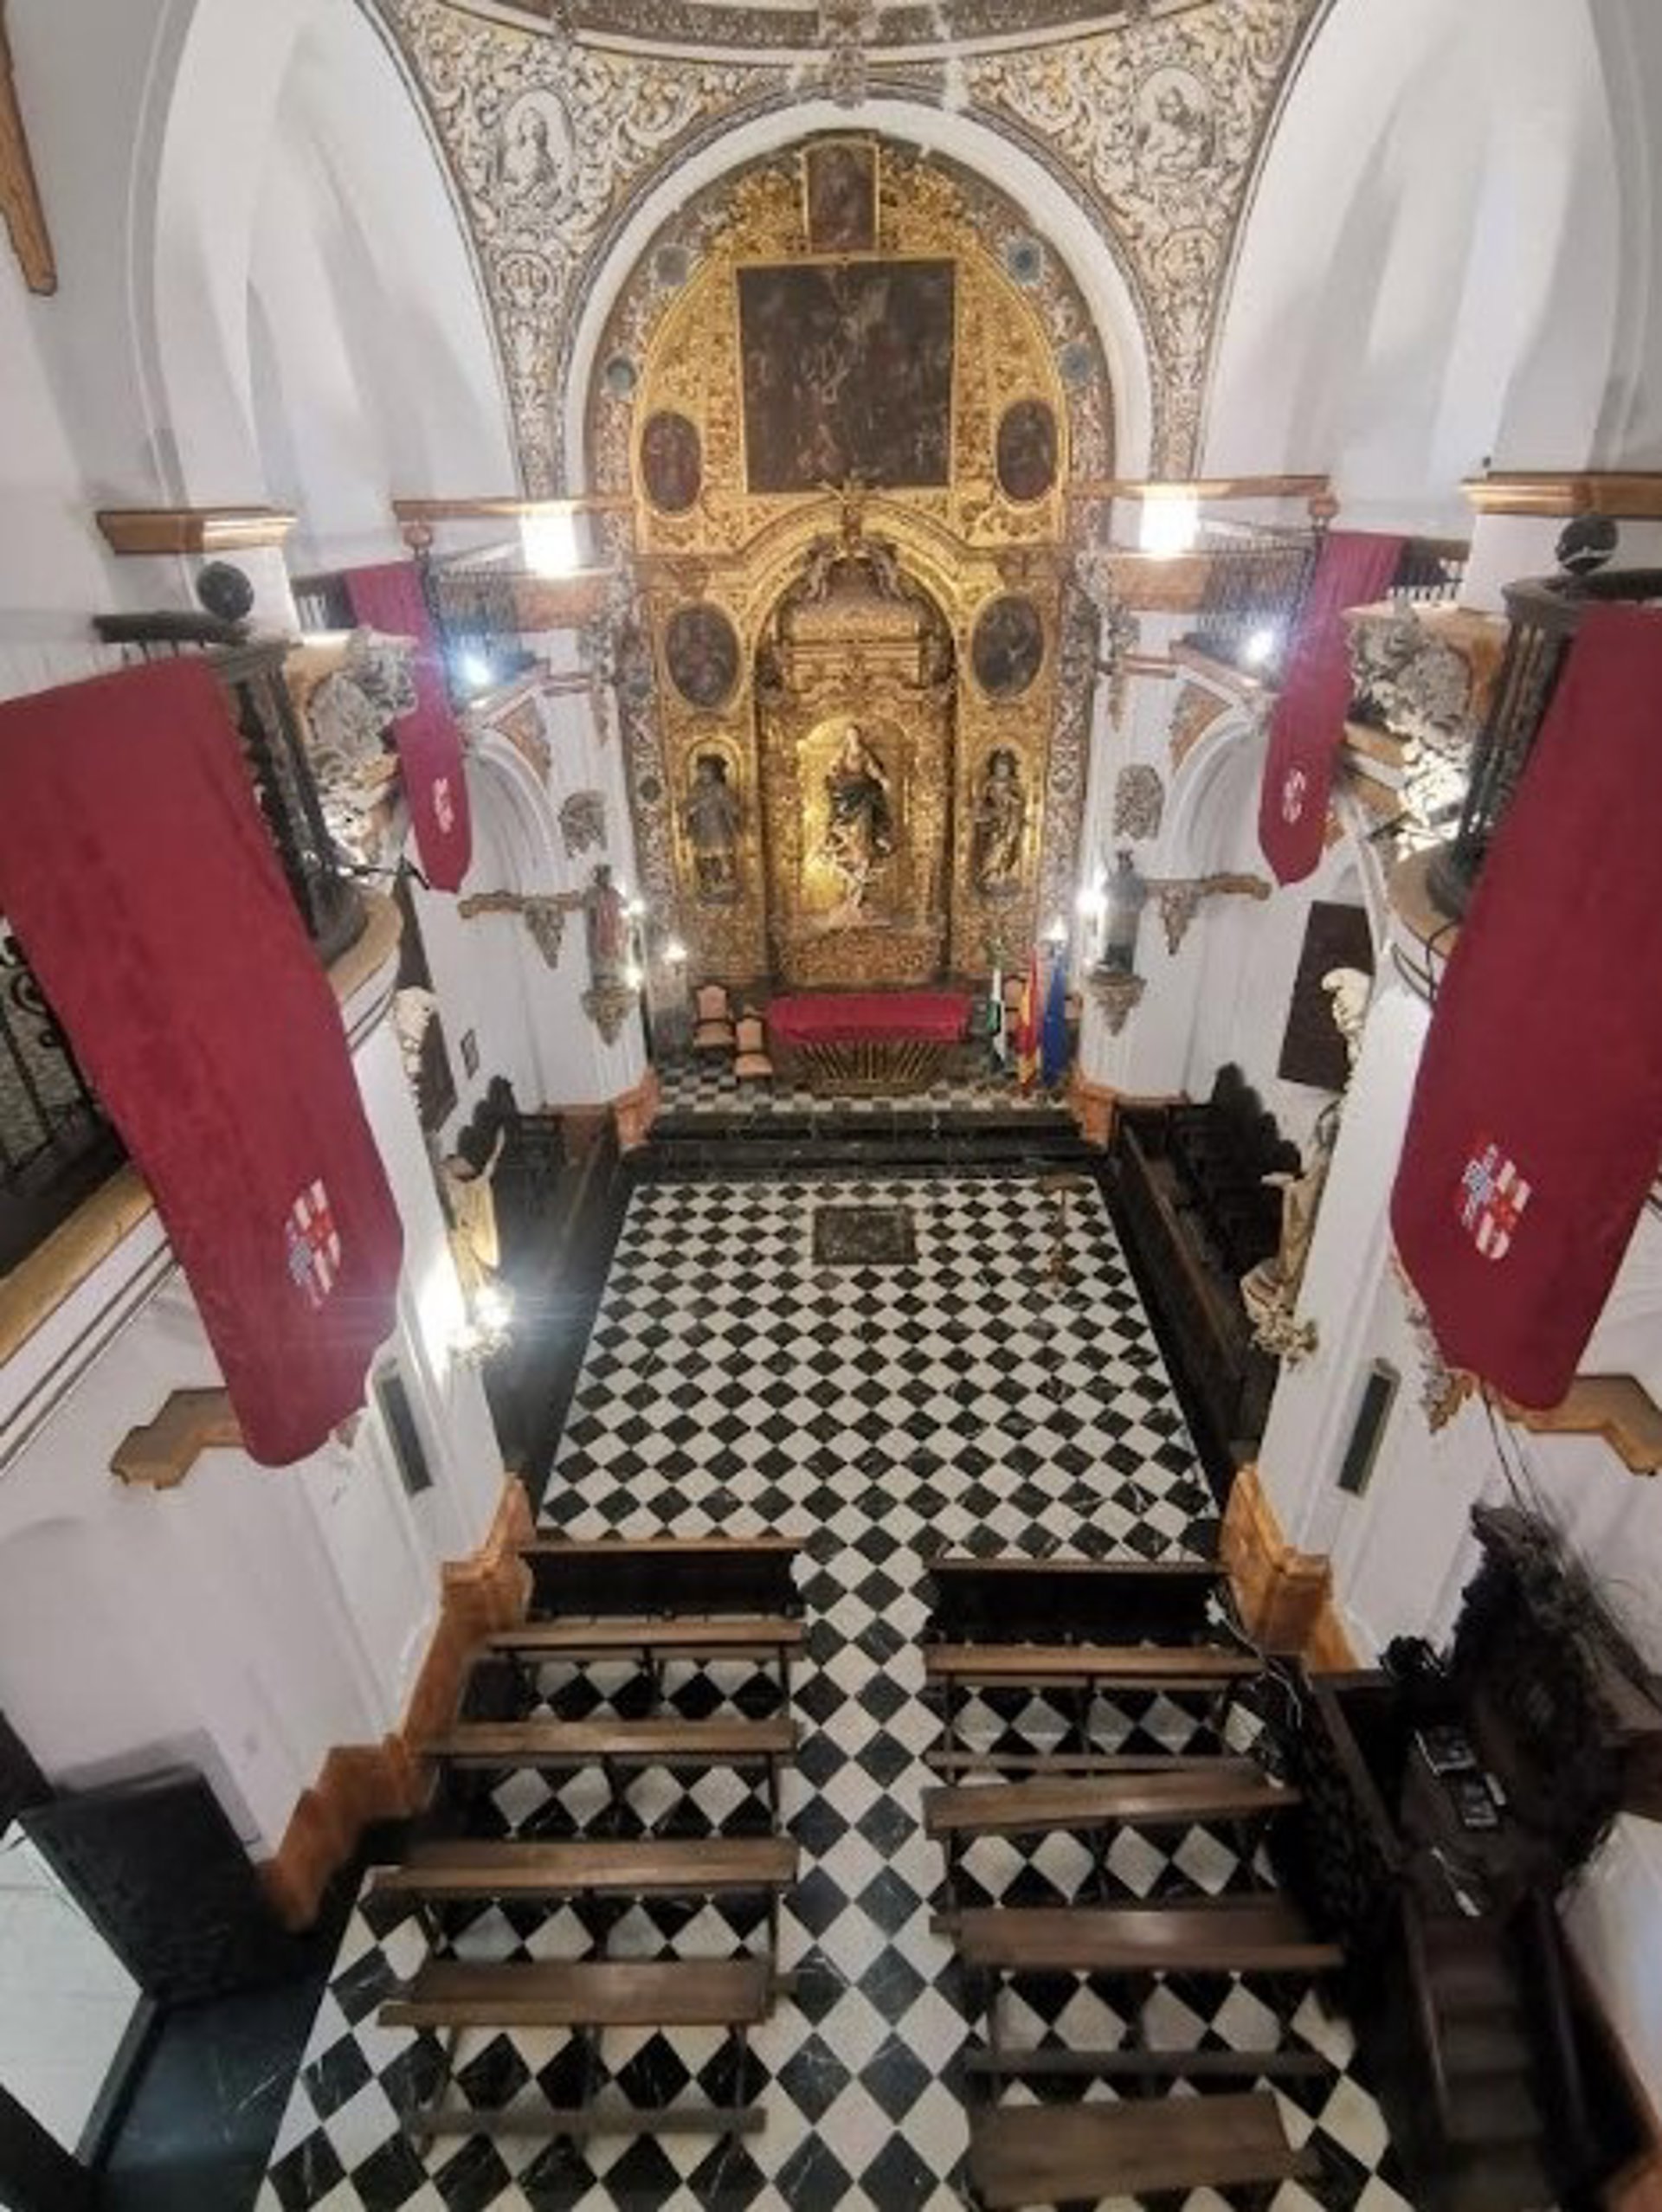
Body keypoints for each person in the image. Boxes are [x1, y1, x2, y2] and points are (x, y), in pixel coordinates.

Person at [819, 723, 893, 908]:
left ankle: (872, 839)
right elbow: (833, 768)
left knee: (865, 820)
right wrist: (832, 773)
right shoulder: (842, 753)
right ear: (847, 737)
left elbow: (873, 770)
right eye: (850, 735)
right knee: (842, 825)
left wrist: (883, 780)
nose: (853, 738)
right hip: (846, 794)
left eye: (855, 734)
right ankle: (842, 844)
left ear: (859, 736)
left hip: (862, 793)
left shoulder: (864, 754)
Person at [683, 753, 743, 901]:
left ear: (714, 772)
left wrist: (732, 812)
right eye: (701, 771)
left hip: (719, 829)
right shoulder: (696, 790)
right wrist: (693, 808)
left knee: (723, 856)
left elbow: (734, 807)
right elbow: (684, 807)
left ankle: (726, 881)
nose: (704, 774)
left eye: (707, 771)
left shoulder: (720, 789)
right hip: (702, 830)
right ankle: (710, 881)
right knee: (705, 858)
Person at [971, 749, 1025, 895]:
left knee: (1005, 850)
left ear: (1010, 768)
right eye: (998, 766)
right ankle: (988, 876)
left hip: (1009, 825)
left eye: (1004, 767)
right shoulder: (988, 785)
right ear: (993, 767)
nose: (1001, 770)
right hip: (992, 825)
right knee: (991, 848)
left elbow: (1020, 805)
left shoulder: (1014, 786)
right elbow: (979, 805)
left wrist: (1012, 802)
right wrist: (989, 813)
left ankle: (1002, 875)